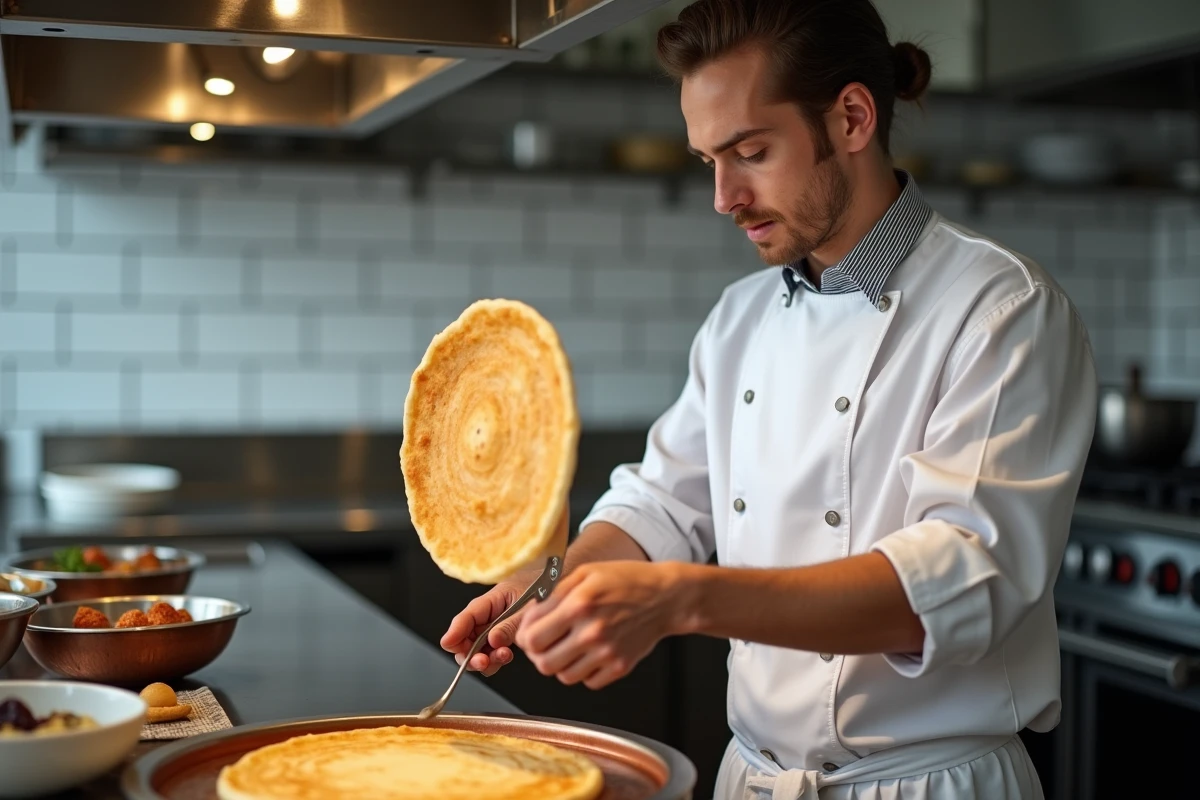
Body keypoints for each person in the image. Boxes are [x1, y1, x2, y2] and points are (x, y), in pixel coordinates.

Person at [441, 1, 1097, 797]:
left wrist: (682, 600)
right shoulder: (739, 319)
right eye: (707, 159)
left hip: (926, 784)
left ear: (852, 117)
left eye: (751, 151)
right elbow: (659, 507)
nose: (724, 195)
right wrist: (558, 583)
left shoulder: (1002, 309)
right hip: (750, 776)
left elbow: (956, 583)